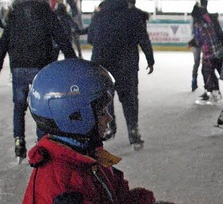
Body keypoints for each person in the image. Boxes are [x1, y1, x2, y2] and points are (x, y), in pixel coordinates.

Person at [23, 59, 157, 204]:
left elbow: (117, 195)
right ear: (73, 116)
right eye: (101, 113)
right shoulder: (61, 187)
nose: (109, 117)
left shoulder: (86, 155)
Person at [0, 0, 77, 163]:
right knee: (40, 106)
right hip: (41, 66)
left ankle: (19, 142)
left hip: (18, 67)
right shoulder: (45, 10)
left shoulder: (14, 12)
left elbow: (5, 40)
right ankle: (41, 145)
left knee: (19, 106)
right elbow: (60, 35)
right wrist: (71, 59)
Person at [87, 0, 154, 149]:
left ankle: (110, 126)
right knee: (129, 99)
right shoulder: (132, 15)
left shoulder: (99, 16)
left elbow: (90, 39)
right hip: (126, 65)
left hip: (103, 65)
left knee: (106, 96)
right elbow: (143, 39)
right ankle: (133, 130)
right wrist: (150, 59)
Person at [192, 4, 223, 104]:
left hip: (209, 52)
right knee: (220, 70)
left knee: (207, 71)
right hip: (219, 49)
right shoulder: (212, 20)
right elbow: (219, 33)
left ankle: (213, 92)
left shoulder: (198, 25)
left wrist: (194, 42)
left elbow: (199, 41)